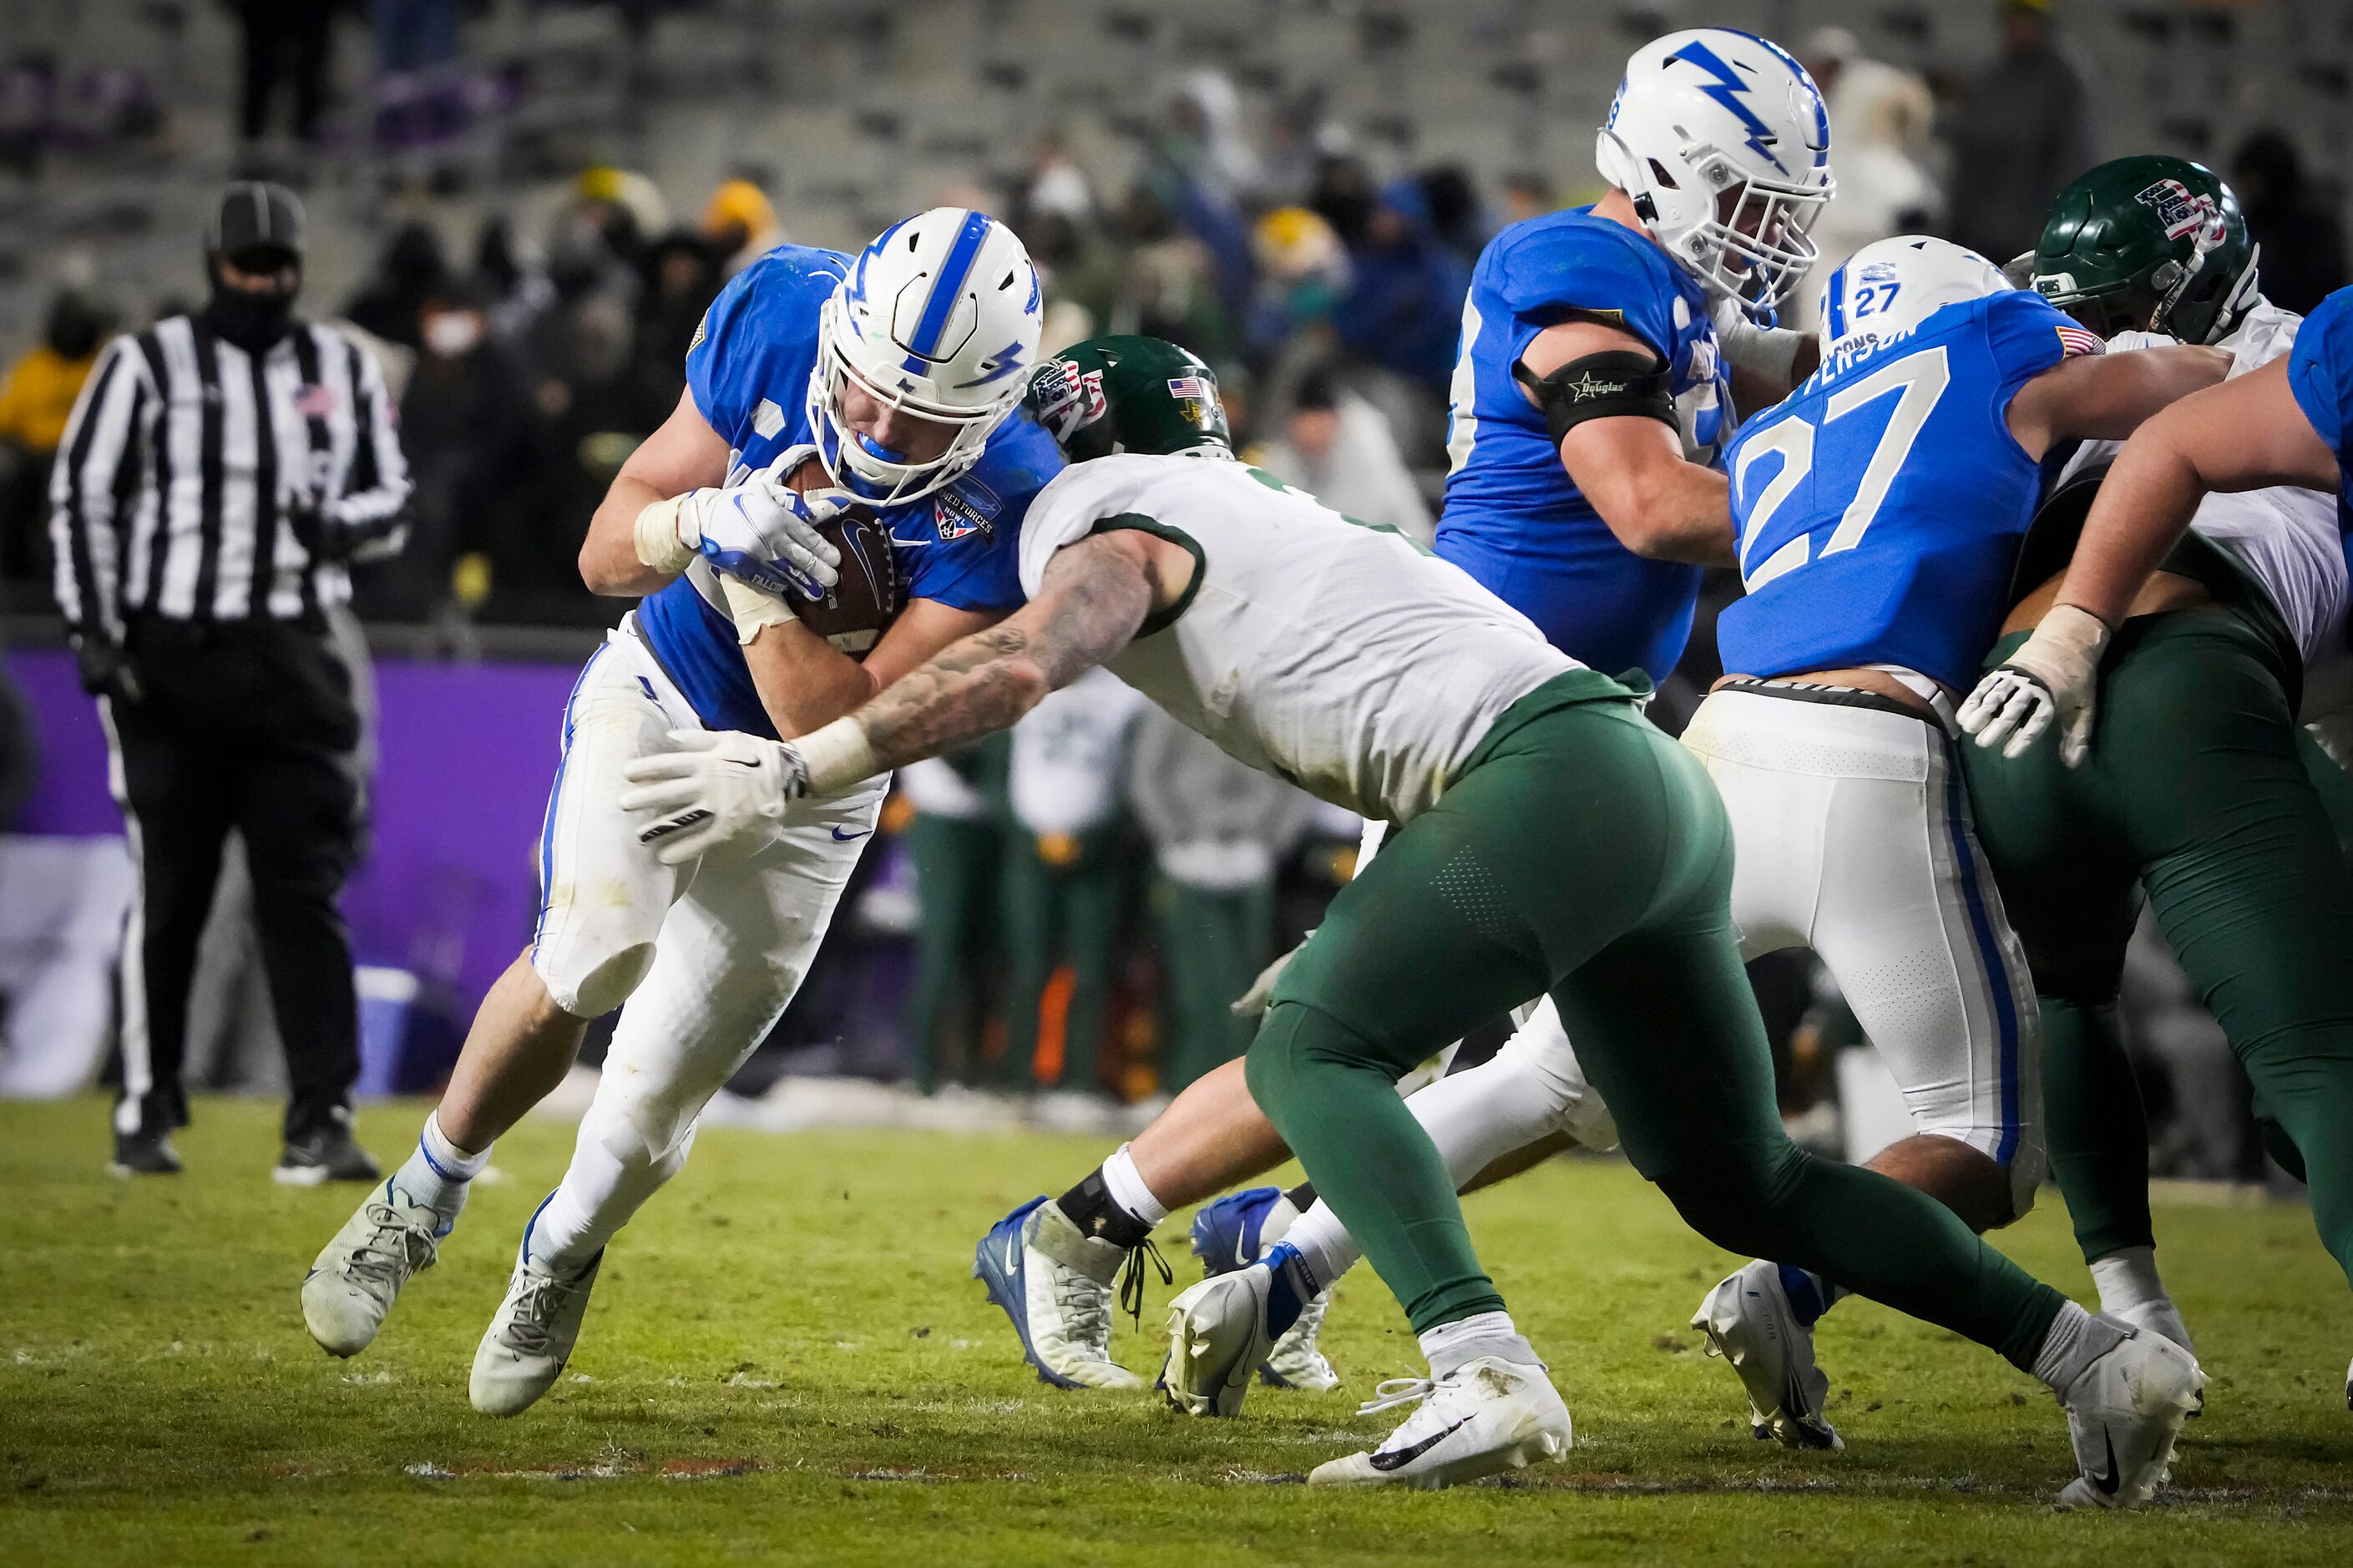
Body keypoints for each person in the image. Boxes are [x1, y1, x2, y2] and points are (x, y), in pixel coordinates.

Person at [624, 334, 2204, 1502]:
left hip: (1548, 781)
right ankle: (2095, 1359)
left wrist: (806, 760)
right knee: (1747, 1177)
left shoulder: (1107, 514)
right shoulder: (1264, 507)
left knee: (1314, 1051)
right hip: (1643, 777)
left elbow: (1032, 657)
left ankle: (1479, 1369)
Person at [936, 24, 1840, 1402]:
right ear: (1661, 170)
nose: (1768, 235)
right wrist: (1870, 516)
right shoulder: (1575, 266)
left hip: (1573, 711)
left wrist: (1941, 358)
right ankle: (1104, 1224)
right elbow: (1650, 507)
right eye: (1750, 198)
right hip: (1479, 711)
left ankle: (1266, 1248)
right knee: (1364, 1035)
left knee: (1508, 1064)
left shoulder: (1669, 292)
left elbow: (1806, 374)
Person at [298, 210, 1060, 1424]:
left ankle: (557, 1253)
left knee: (652, 1105)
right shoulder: (778, 313)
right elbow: (611, 546)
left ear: (987, 409)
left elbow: (844, 721)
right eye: (861, 392)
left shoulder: (1017, 495)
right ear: (840, 337)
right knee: (591, 951)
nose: (874, 428)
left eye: (917, 419)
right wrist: (691, 524)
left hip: (813, 787)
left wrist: (755, 585)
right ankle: (423, 1193)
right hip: (664, 695)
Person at [1959, 160, 2353, 1409]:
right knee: (2318, 1060)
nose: (2102, 319)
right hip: (2201, 682)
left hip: (2007, 687)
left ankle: (2136, 1324)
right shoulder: (2297, 358)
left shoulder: (2055, 390)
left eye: (2122, 295)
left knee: (2069, 1003)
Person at [49, 182, 412, 1180]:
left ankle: (319, 1115)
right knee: (175, 894)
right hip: (174, 656)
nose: (263, 286)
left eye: (278, 270)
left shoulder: (336, 363)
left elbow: (393, 494)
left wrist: (344, 526)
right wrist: (94, 627)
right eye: (247, 269)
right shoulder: (146, 364)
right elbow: (83, 492)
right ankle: (146, 1100)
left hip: (295, 652)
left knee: (305, 891)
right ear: (215, 266)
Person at [1942, 1, 2096, 264]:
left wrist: (2055, 229)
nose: (2019, 29)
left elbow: (2072, 158)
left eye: (2027, 20)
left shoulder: (2064, 79)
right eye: (2013, 20)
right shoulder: (1992, 76)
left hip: (2033, 229)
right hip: (1979, 229)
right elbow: (1970, 152)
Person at [0, 289, 109, 585]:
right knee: (14, 495)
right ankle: (16, 576)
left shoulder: (107, 362)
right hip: (39, 458)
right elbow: (6, 422)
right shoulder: (33, 369)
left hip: (95, 455)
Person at [2230, 129, 2348, 316]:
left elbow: (2319, 284)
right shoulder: (2257, 216)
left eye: (2251, 177)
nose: (2247, 186)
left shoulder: (2309, 222)